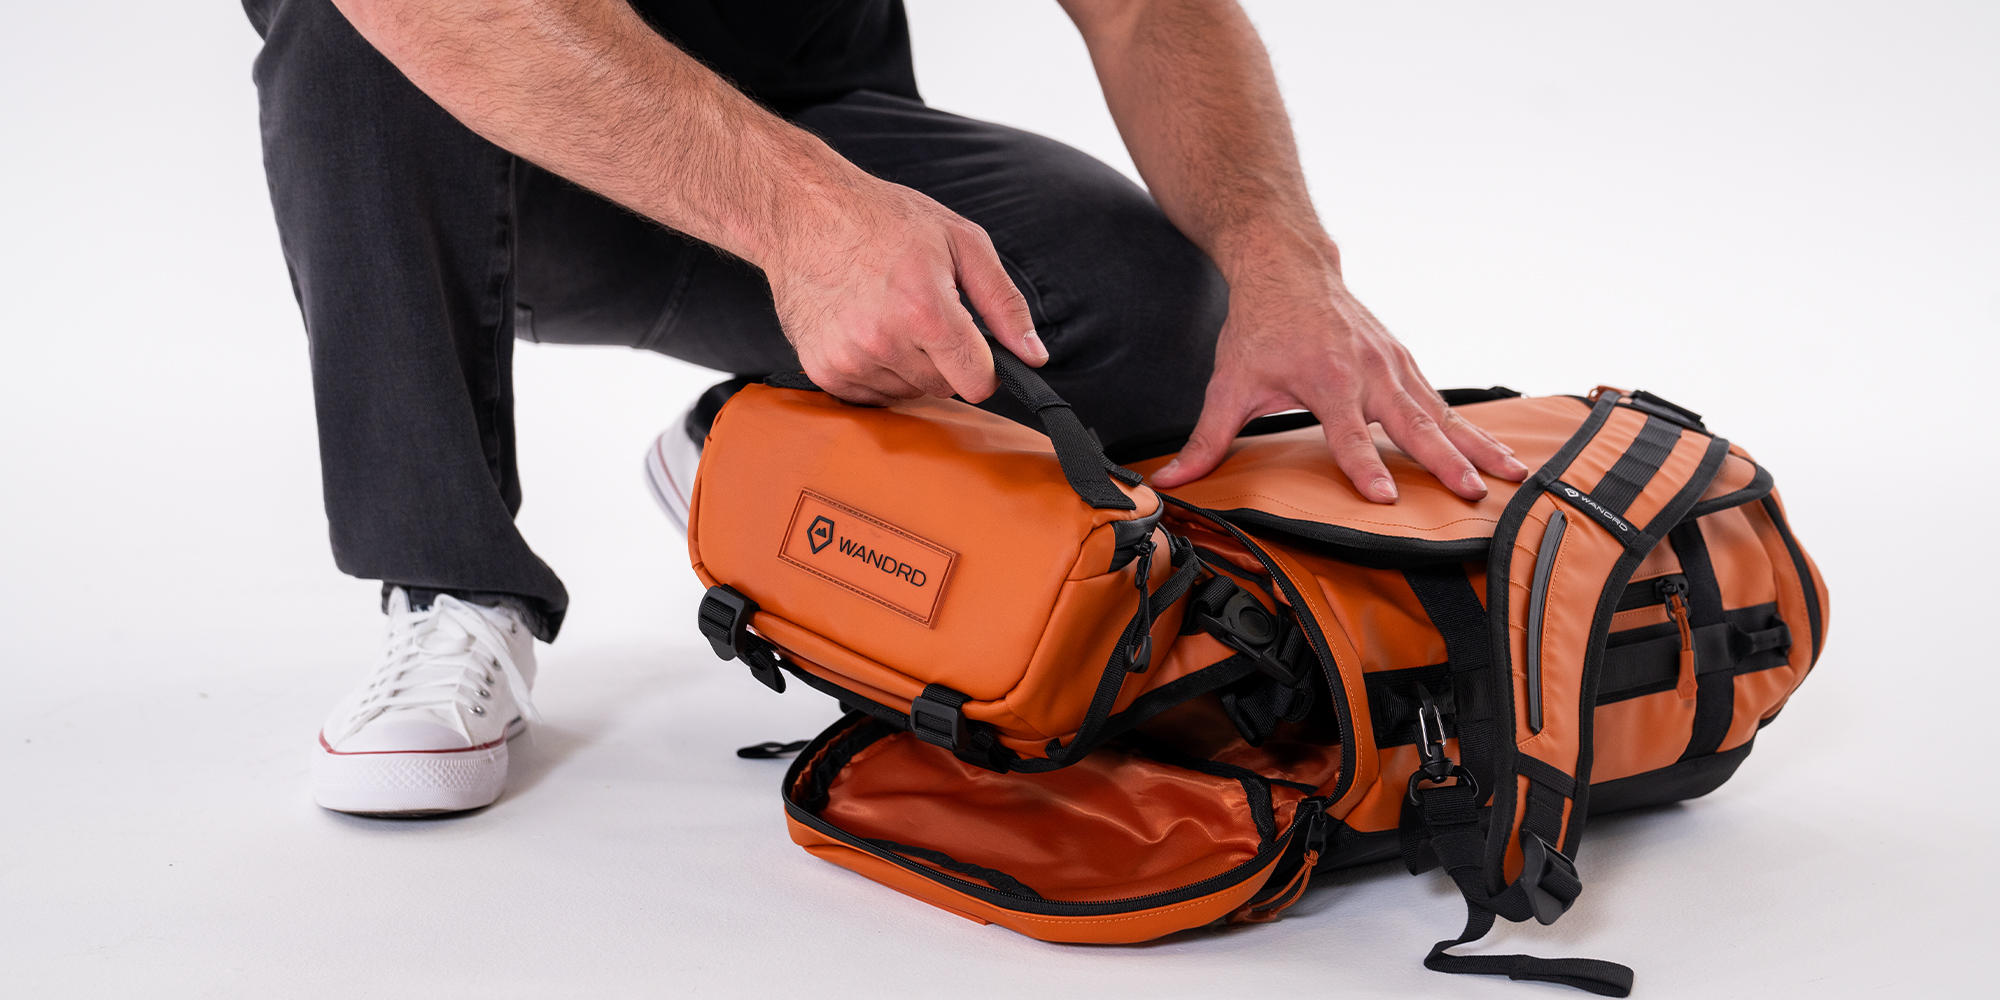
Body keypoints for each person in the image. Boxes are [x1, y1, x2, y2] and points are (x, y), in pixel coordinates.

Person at [242, 0, 1528, 816]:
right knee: (346, 26)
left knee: (1146, 305)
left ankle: (762, 454)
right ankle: (449, 583)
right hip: (499, 140)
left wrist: (1278, 256)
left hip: (813, 117)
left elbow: (1144, 10)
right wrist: (797, 215)